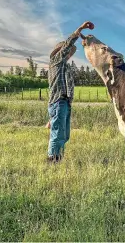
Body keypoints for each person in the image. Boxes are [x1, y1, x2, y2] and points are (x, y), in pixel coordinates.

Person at [47, 21, 94, 163]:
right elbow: (67, 45)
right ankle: (53, 161)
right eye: (66, 52)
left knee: (65, 135)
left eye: (69, 53)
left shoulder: (64, 67)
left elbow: (67, 87)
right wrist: (79, 28)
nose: (68, 54)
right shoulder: (55, 61)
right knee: (58, 135)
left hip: (64, 103)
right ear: (59, 52)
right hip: (59, 102)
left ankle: (58, 158)